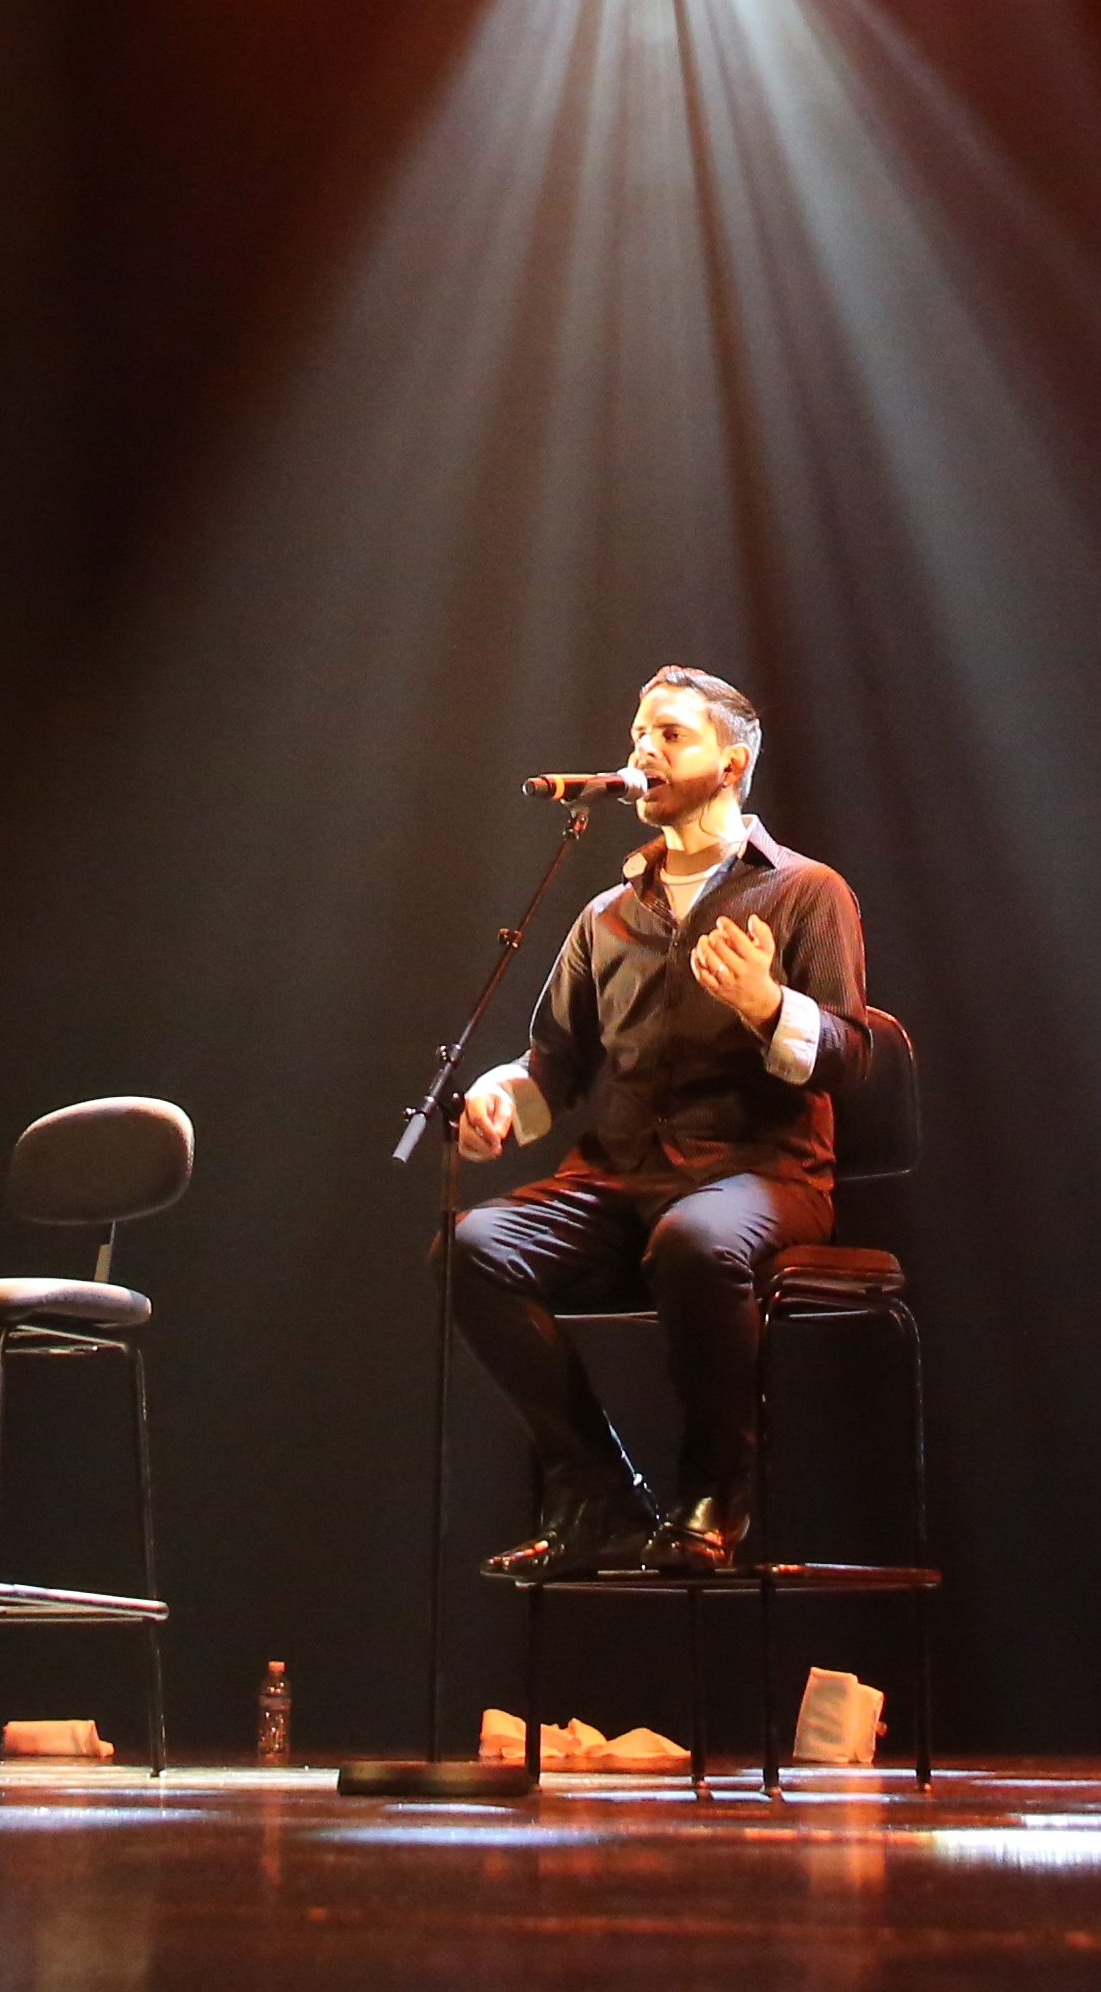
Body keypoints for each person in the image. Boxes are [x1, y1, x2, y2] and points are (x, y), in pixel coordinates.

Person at [445, 667, 875, 1580]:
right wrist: (499, 1099)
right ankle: (595, 1489)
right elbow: (553, 1064)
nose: (644, 750)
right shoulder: (607, 914)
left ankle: (715, 1495)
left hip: (763, 1173)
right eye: (639, 733)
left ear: (733, 763)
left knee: (694, 1239)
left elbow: (851, 1055)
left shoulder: (806, 891)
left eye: (671, 734)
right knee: (471, 1247)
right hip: (624, 1176)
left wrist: (769, 1007)